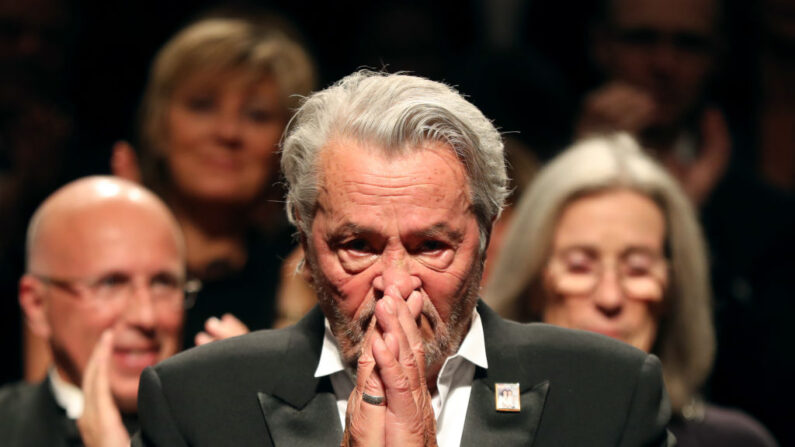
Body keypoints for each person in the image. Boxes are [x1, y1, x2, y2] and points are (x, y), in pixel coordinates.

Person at [132, 71, 672, 447]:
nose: (394, 286)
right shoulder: (198, 403)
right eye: (358, 247)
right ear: (305, 236)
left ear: (486, 237)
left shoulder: (608, 394)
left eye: (431, 247)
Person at [485, 133, 778, 446]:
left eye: (637, 269)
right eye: (580, 266)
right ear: (532, 285)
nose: (610, 298)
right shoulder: (474, 431)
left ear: (672, 290)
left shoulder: (735, 442)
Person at [111, 13, 317, 346]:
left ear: (286, 144)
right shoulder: (98, 262)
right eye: (202, 106)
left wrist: (293, 315)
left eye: (257, 115)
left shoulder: (304, 275)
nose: (227, 132)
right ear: (159, 125)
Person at [0, 176, 190, 446]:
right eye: (110, 284)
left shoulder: (230, 427)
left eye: (163, 284)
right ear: (37, 305)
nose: (146, 317)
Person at [578, 0, 729, 207]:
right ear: (601, 45)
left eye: (688, 43)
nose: (664, 64)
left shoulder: (763, 211)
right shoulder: (528, 169)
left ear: (716, 56)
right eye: (642, 38)